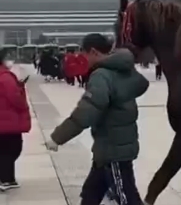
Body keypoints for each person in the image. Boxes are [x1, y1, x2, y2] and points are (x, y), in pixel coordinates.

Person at [44, 34, 149, 205]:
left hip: (113, 149)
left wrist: (58, 137)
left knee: (126, 196)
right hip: (113, 145)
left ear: (93, 51)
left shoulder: (102, 75)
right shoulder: (123, 70)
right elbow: (140, 84)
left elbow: (86, 112)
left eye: (85, 54)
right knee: (91, 193)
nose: (84, 59)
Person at [0, 48, 31, 191]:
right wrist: (20, 90)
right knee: (12, 149)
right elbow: (15, 98)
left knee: (5, 150)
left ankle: (8, 178)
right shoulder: (5, 76)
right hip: (8, 121)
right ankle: (6, 179)